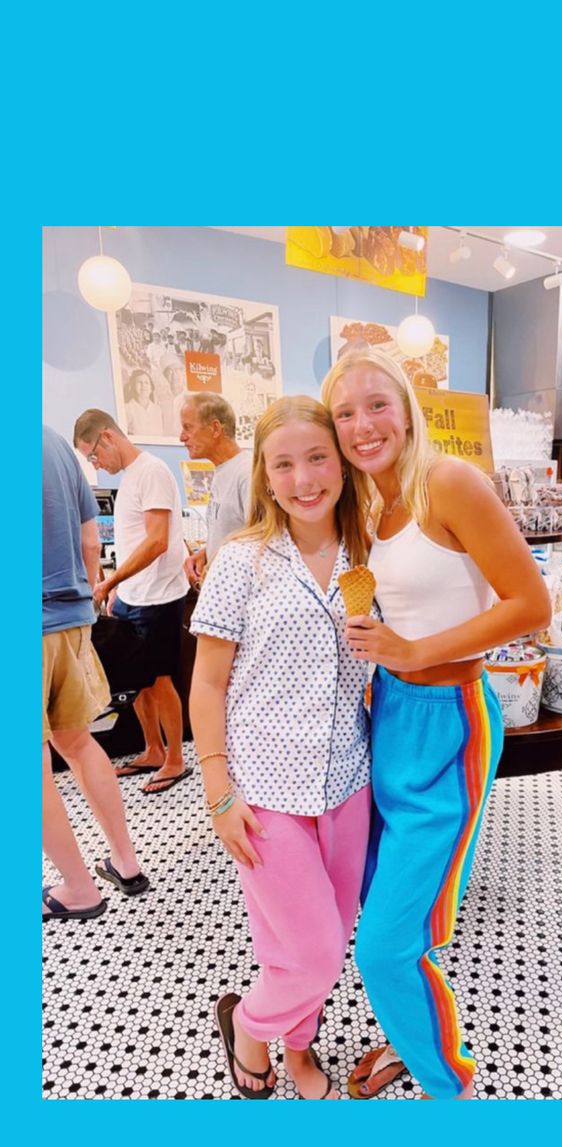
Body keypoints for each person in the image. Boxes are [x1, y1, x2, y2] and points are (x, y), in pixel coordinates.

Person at [321, 348, 552, 1100]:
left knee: (385, 946)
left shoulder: (447, 482)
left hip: (450, 717)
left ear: (407, 406)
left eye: (376, 404)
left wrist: (415, 649)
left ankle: (447, 1087)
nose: (362, 425)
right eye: (345, 413)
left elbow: (531, 604)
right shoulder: (363, 502)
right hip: (384, 711)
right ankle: (406, 1035)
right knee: (382, 906)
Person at [189, 396, 373, 1099]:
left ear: (343, 460)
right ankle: (247, 1029)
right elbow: (206, 685)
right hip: (265, 795)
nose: (304, 478)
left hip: (349, 786)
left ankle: (298, 1053)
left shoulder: (368, 554)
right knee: (318, 953)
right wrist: (219, 794)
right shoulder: (244, 561)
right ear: (264, 475)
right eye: (284, 463)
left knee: (298, 944)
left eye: (318, 457)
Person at [42, 426, 149, 922]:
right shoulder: (54, 442)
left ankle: (80, 888)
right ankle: (125, 863)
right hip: (71, 617)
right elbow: (90, 538)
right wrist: (85, 602)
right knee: (78, 742)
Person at [73, 409, 191, 795]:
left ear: (107, 437)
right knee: (137, 682)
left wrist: (112, 583)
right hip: (133, 594)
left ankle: (175, 759)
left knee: (159, 680)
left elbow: (157, 541)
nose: (97, 465)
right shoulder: (132, 477)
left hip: (158, 597)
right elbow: (132, 541)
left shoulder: (153, 470)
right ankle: (152, 750)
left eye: (93, 456)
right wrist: (118, 585)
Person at [178, 393, 252, 584]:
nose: (182, 437)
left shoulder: (247, 473)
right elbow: (234, 533)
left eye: (188, 428)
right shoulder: (222, 470)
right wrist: (207, 553)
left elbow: (261, 545)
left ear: (215, 428)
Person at [125, 368, 164, 438]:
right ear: (133, 386)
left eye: (146, 382)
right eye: (139, 382)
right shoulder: (127, 408)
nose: (143, 386)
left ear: (151, 388)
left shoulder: (158, 410)